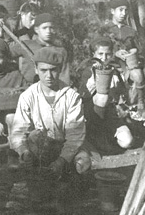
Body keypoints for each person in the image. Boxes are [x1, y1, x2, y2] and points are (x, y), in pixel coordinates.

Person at [10, 47, 91, 177]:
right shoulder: (28, 96)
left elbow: (75, 135)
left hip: (64, 146)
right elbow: (18, 131)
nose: (48, 76)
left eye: (53, 70)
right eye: (43, 70)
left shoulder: (71, 96)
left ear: (59, 70)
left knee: (83, 163)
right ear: (36, 70)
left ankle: (72, 183)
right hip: (39, 147)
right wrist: (24, 152)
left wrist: (62, 160)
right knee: (31, 143)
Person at [79, 37, 136, 155]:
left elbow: (124, 94)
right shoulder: (89, 72)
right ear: (93, 54)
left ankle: (109, 136)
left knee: (127, 142)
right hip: (93, 114)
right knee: (102, 97)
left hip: (111, 114)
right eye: (100, 54)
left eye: (108, 54)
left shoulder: (114, 70)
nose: (104, 58)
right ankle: (97, 136)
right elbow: (83, 96)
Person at [104, 0, 145, 108]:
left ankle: (141, 105)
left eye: (126, 10)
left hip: (127, 66)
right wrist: (115, 54)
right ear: (112, 11)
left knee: (138, 75)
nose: (123, 13)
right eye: (120, 10)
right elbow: (98, 51)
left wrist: (134, 51)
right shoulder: (105, 30)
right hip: (110, 64)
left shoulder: (130, 31)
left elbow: (140, 51)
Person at [10, 13, 70, 85]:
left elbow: (65, 77)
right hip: (27, 88)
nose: (48, 31)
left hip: (52, 89)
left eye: (51, 28)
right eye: (44, 28)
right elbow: (3, 55)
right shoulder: (26, 45)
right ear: (36, 29)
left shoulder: (60, 51)